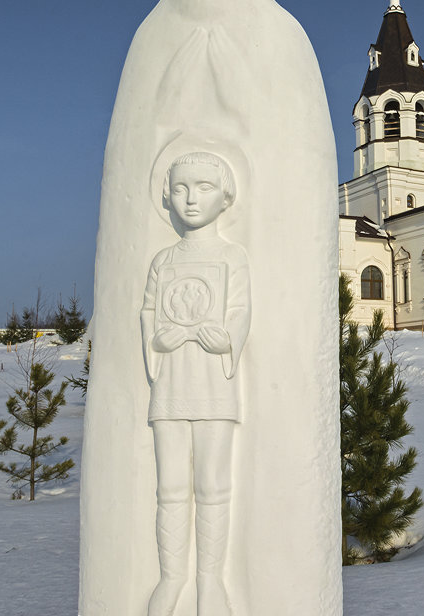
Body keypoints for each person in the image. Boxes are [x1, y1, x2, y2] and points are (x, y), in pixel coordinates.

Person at [141, 150, 250, 615]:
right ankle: (171, 577)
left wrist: (225, 339)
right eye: (181, 189)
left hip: (213, 385)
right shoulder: (163, 260)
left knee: (211, 484)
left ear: (224, 197)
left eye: (203, 188)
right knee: (169, 486)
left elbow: (241, 311)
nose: (190, 200)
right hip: (169, 387)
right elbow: (149, 311)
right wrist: (158, 341)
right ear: (166, 195)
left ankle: (210, 581)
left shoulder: (231, 257)